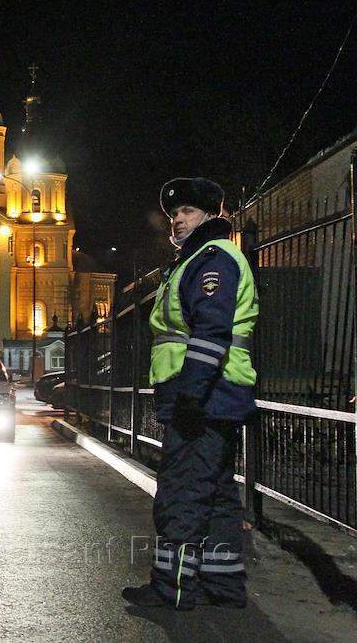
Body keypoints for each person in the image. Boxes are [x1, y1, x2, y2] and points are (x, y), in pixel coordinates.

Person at [122, 177, 258, 611]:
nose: (177, 220)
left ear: (210, 215)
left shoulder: (212, 259)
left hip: (202, 396)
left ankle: (172, 587)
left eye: (188, 212)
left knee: (182, 491)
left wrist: (191, 395)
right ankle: (223, 586)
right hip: (216, 396)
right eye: (174, 214)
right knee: (216, 491)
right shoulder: (197, 259)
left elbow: (210, 333)